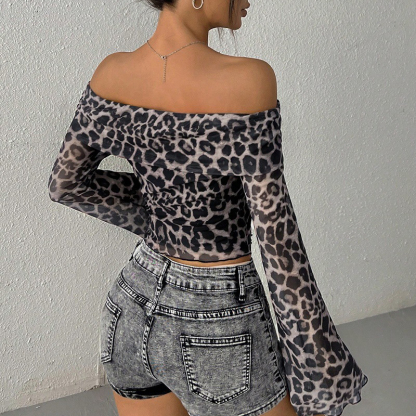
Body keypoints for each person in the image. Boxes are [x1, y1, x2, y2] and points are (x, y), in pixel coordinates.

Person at [47, 0, 368, 415]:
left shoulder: (112, 71)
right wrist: (316, 367)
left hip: (131, 302)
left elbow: (66, 184)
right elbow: (276, 237)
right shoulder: (249, 79)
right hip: (216, 318)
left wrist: (165, 215)